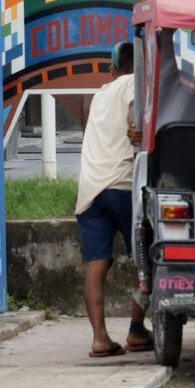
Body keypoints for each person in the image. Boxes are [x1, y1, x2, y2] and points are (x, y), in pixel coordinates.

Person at [75, 42, 151, 358]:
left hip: (90, 188)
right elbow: (135, 108)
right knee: (143, 258)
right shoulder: (135, 83)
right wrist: (136, 126)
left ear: (112, 68)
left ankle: (100, 338)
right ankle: (136, 330)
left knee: (97, 263)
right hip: (121, 185)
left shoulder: (99, 94)